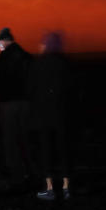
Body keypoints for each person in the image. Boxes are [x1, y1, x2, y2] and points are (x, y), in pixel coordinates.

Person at [28, 31, 74, 200]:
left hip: (43, 115)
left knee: (46, 150)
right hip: (63, 114)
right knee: (64, 150)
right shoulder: (67, 64)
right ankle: (66, 186)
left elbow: (31, 90)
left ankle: (49, 188)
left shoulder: (38, 64)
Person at [0, 27, 35, 187]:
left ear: (3, 41)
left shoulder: (4, 57)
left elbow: (0, 80)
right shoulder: (27, 57)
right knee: (25, 137)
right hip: (25, 102)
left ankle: (16, 174)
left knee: (10, 140)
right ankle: (30, 170)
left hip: (8, 103)